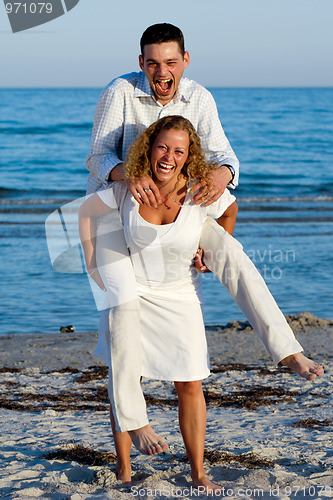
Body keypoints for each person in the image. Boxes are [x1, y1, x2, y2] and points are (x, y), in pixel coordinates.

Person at [85, 23, 323, 461]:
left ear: (185, 61)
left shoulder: (200, 99)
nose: (162, 72)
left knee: (232, 254)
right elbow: (97, 158)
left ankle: (288, 351)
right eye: (153, 63)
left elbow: (227, 159)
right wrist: (128, 173)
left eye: (171, 62)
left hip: (181, 211)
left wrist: (221, 176)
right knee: (121, 314)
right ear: (141, 63)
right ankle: (133, 432)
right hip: (120, 219)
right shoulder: (118, 92)